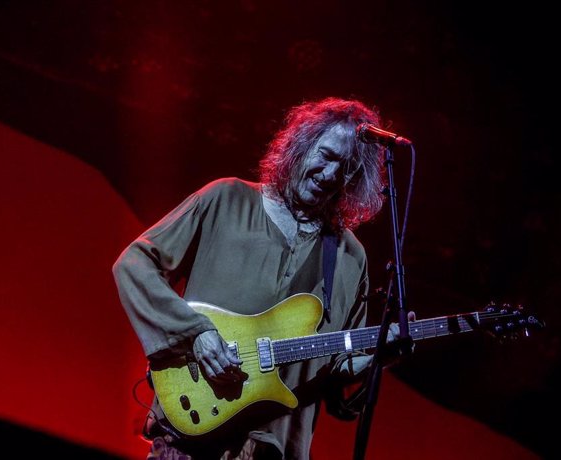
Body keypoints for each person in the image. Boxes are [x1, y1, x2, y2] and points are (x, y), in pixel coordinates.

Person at [113, 97, 409, 460]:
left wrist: (379, 355)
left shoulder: (350, 258)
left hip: (275, 449)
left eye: (346, 168)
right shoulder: (226, 199)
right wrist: (195, 332)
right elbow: (136, 262)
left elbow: (337, 371)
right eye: (326, 155)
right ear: (301, 145)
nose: (331, 174)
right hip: (190, 436)